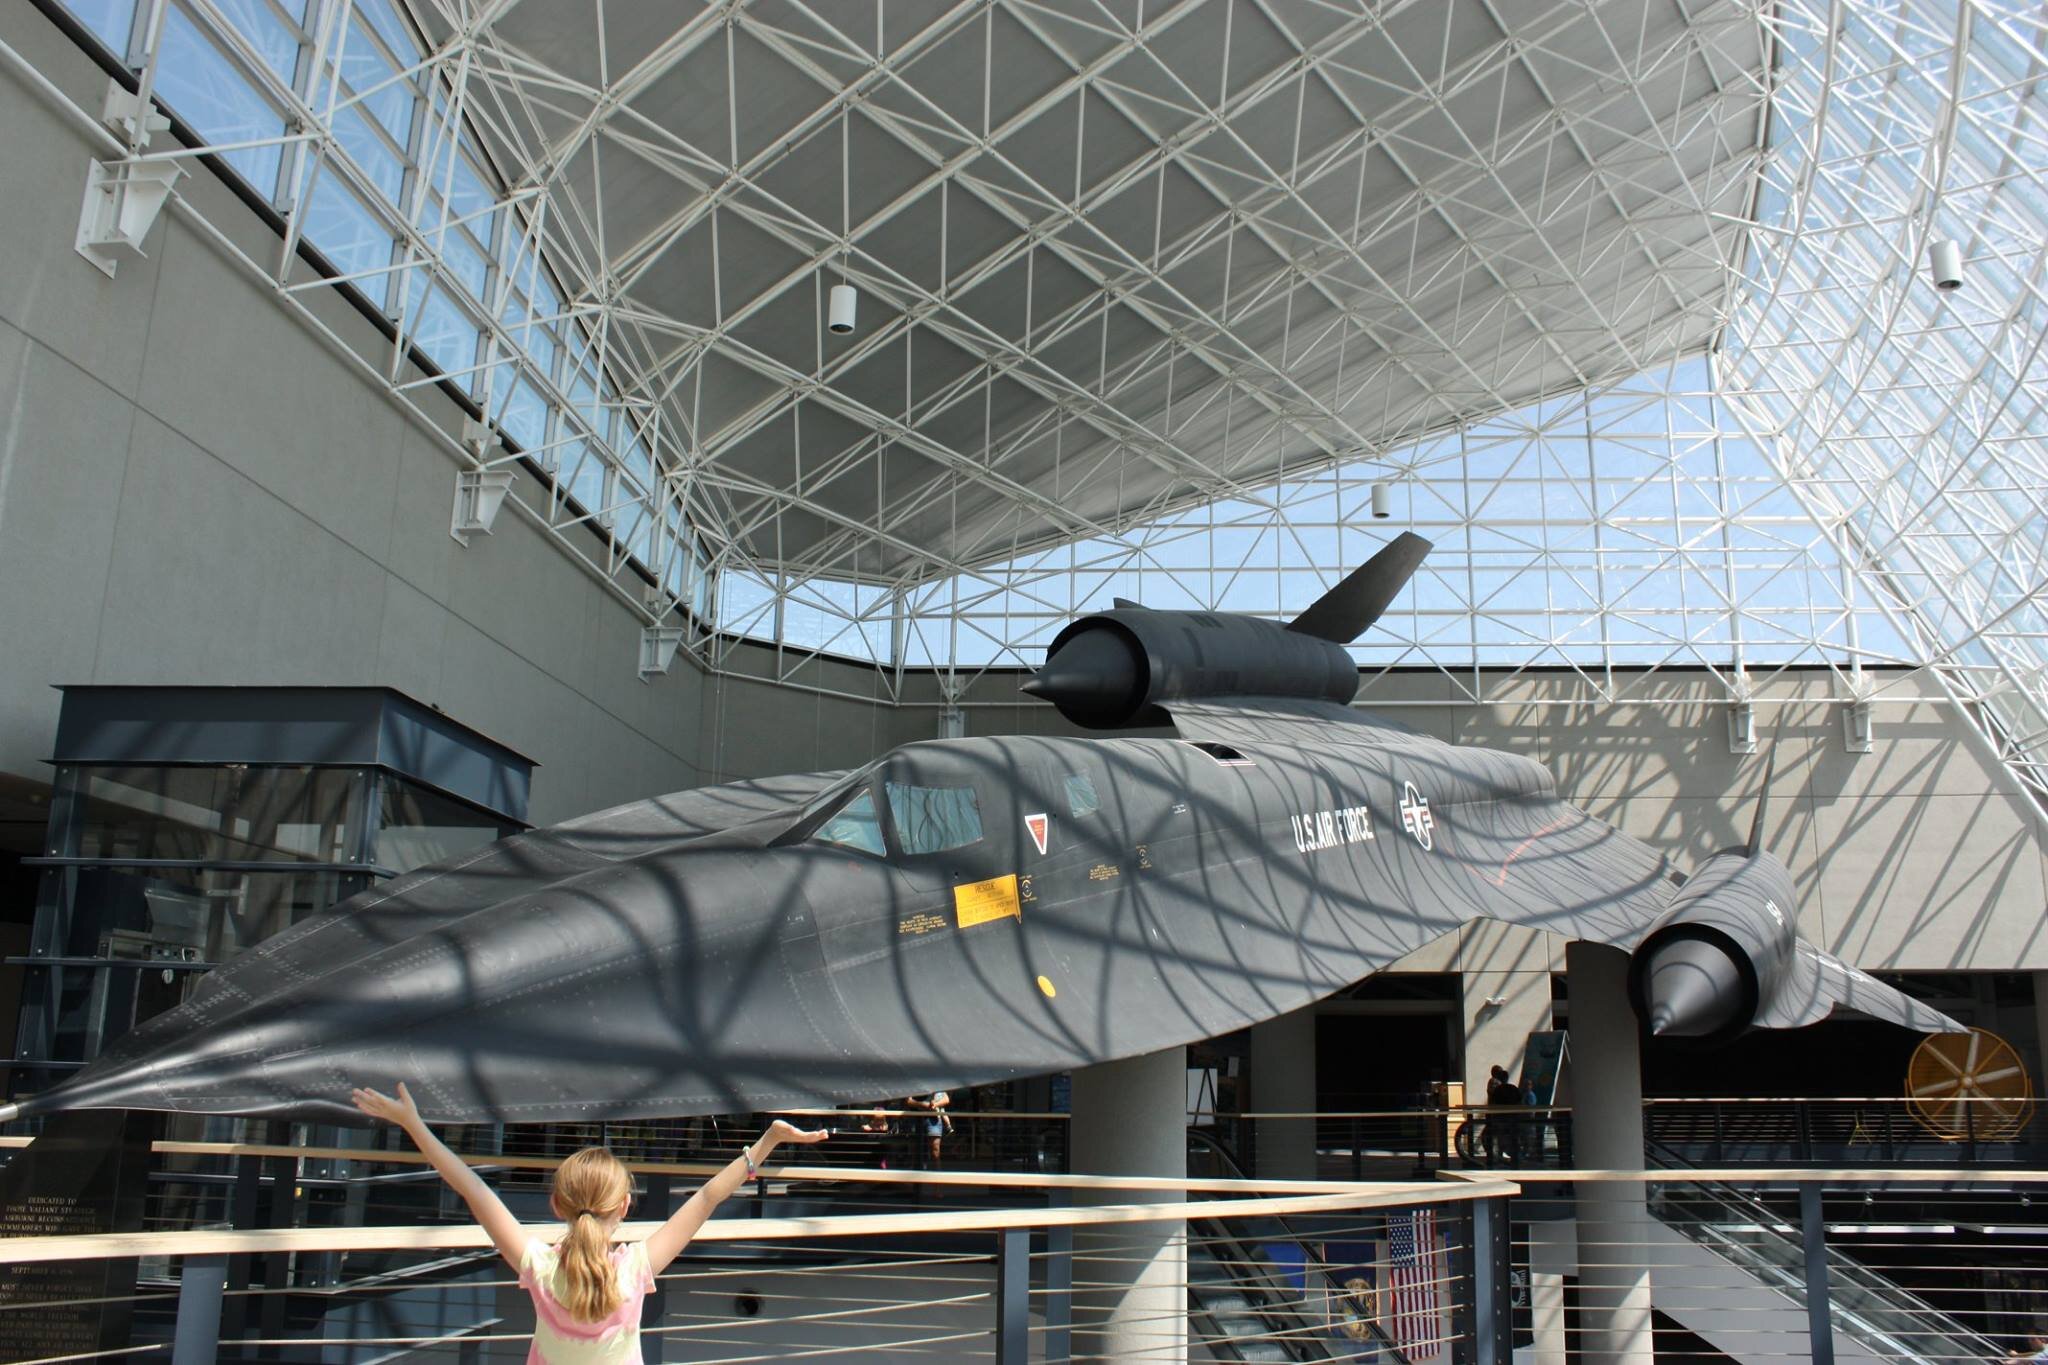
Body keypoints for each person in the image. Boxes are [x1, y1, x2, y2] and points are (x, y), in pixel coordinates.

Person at [352, 1082, 828, 1362]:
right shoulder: (635, 1270)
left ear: (556, 1204)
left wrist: (414, 1124)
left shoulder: (539, 1267)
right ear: (624, 1207)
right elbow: (706, 1198)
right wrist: (767, 1141)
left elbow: (472, 1188)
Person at [1481, 1065, 1522, 1166]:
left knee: (1494, 1135)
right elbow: (1518, 1099)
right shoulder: (1510, 1088)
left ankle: (1496, 1155)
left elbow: (1494, 1098)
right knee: (1503, 1135)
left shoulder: (1498, 1088)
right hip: (1508, 1116)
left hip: (1497, 1115)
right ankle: (1507, 1156)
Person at [906, 1091, 951, 1168]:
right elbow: (909, 1101)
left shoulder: (938, 1085)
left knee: (935, 1148)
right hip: (916, 1117)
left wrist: (935, 1104)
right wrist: (925, 1105)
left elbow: (946, 1100)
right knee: (915, 1148)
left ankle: (937, 1172)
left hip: (934, 1118)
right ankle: (915, 1171)